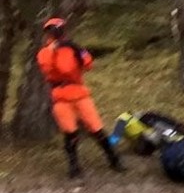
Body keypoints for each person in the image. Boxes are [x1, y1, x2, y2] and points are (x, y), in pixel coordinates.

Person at [36, 17, 122, 179]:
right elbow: (53, 69)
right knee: (70, 132)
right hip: (60, 97)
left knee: (97, 129)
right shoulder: (44, 53)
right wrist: (55, 51)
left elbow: (88, 63)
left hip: (80, 93)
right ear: (47, 33)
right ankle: (74, 167)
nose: (55, 33)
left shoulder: (73, 48)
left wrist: (77, 49)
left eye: (58, 30)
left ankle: (114, 159)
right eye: (52, 30)